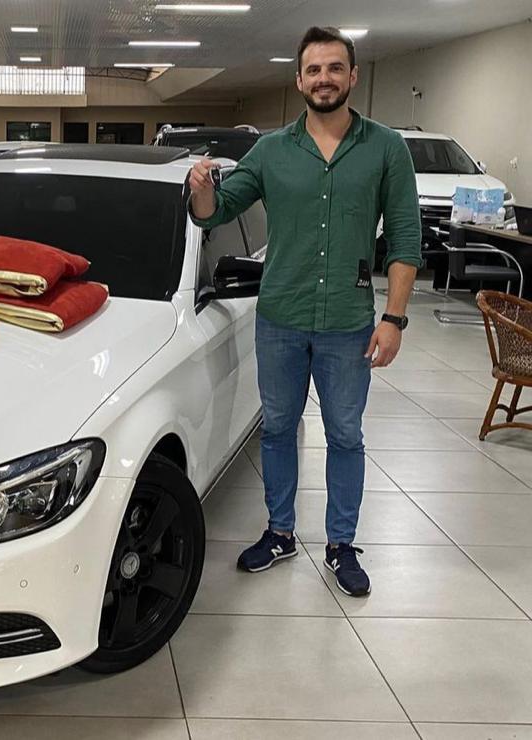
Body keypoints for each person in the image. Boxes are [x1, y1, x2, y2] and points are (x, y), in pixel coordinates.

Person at [188, 26, 421, 596]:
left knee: (345, 434)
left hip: (349, 323)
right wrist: (202, 188)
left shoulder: (386, 148)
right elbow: (218, 211)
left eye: (335, 68)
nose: (324, 79)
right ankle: (280, 532)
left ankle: (341, 544)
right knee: (277, 429)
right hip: (280, 320)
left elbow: (405, 238)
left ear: (352, 76)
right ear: (299, 80)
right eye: (314, 70)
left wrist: (393, 318)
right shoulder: (271, 151)